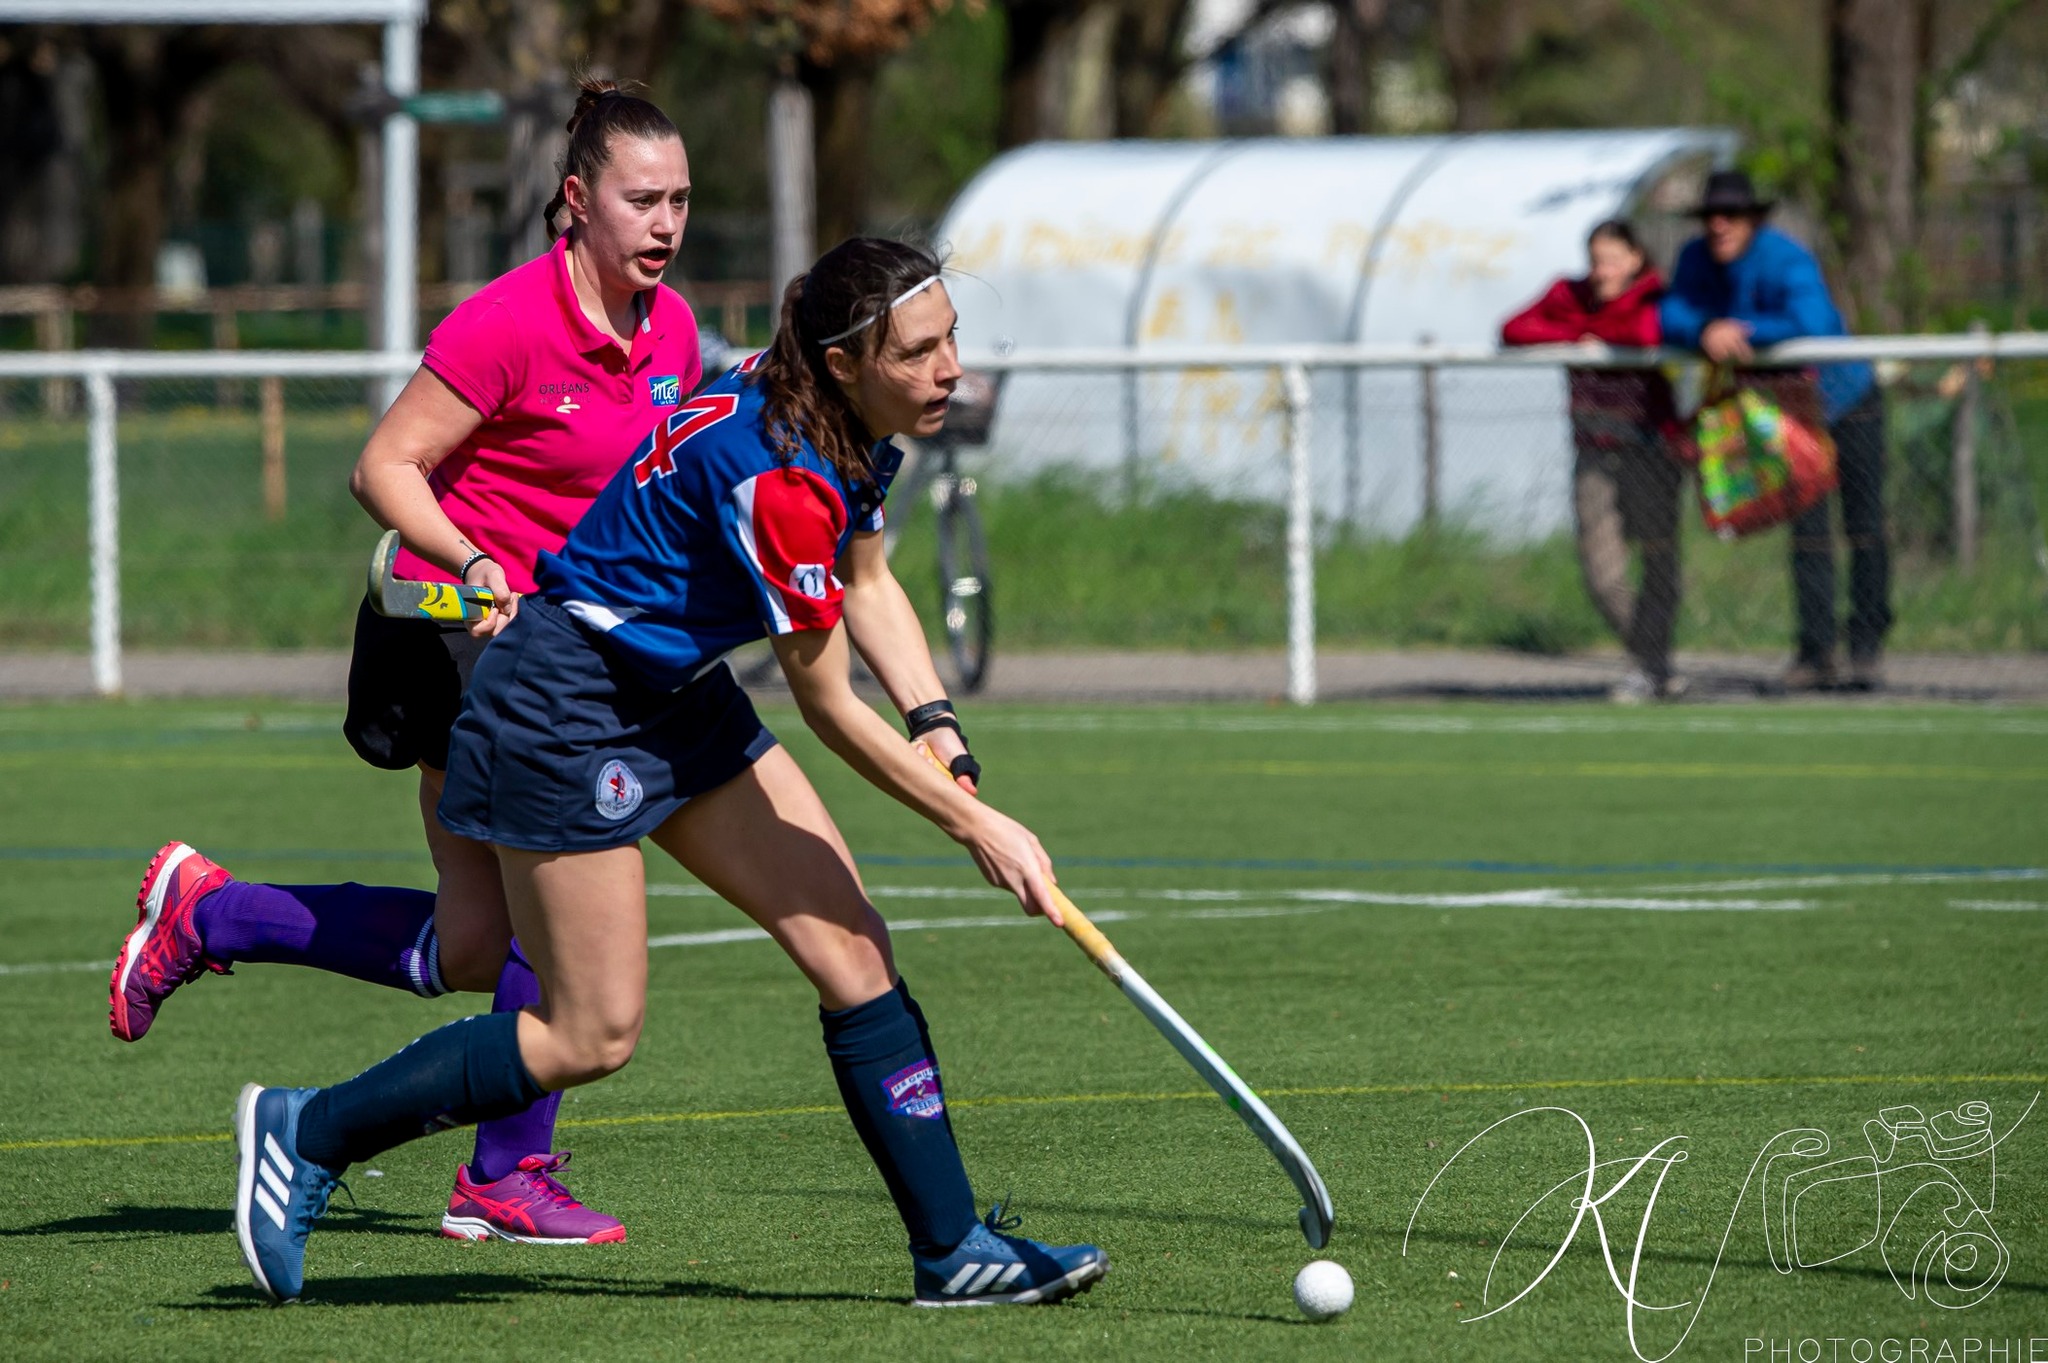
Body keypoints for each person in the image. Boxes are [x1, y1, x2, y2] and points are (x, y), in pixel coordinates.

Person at [226, 237, 1108, 1308]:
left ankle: (952, 1248)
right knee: (590, 1032)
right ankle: (304, 1131)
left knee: (851, 948)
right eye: (919, 352)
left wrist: (940, 730)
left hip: (676, 694)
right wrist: (977, 826)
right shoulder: (782, 476)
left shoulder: (852, 430)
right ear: (840, 361)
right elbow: (826, 701)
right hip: (566, 706)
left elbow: (869, 580)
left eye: (950, 340)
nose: (949, 370)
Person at [107, 78, 701, 1245]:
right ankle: (502, 1173)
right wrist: (476, 562)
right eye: (643, 200)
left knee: (475, 946)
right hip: (448, 638)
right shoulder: (507, 322)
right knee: (544, 923)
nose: (668, 224)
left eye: (681, 199)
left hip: (554, 655)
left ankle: (214, 917)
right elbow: (384, 469)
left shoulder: (671, 328)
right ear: (576, 201)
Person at [1659, 169, 1889, 691]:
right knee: (1808, 534)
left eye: (1732, 216)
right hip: (1783, 414)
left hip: (1845, 400)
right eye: (1711, 216)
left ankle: (1867, 645)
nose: (1720, 226)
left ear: (1754, 220)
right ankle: (1815, 653)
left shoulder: (1786, 258)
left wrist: (1741, 331)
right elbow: (1670, 312)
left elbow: (1810, 319)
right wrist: (1701, 329)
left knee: (1864, 525)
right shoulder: (1697, 259)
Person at [1501, 219, 1683, 702]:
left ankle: (1650, 668)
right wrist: (1580, 334)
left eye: (1612, 260)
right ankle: (1652, 660)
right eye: (1596, 260)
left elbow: (1645, 332)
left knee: (1660, 561)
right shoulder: (1571, 293)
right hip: (1594, 448)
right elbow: (1514, 328)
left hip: (1650, 446)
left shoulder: (1654, 292)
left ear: (1635, 259)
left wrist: (1593, 338)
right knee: (1601, 570)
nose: (1601, 272)